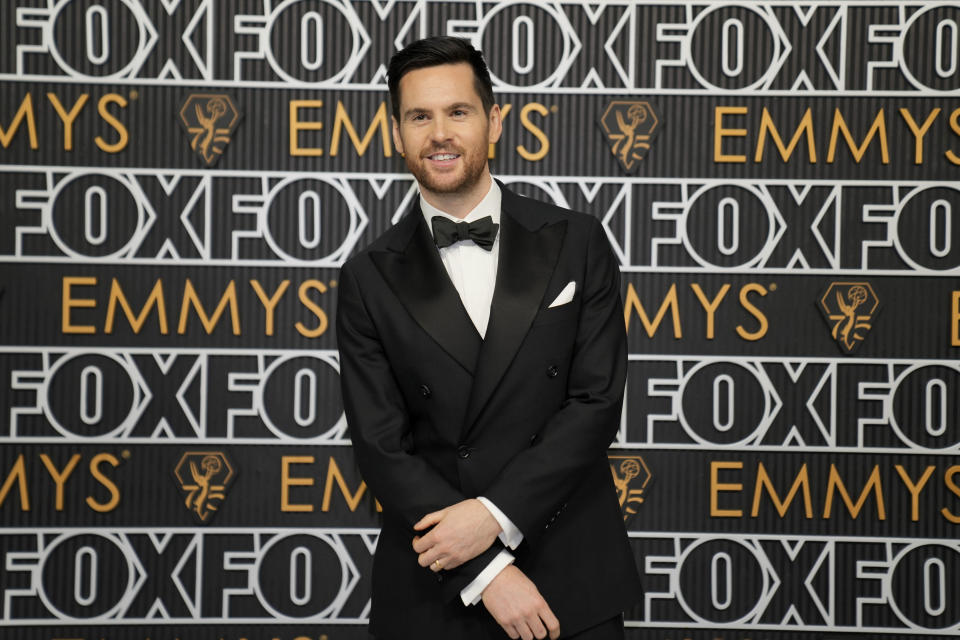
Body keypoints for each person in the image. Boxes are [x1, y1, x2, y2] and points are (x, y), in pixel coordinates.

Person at [336, 36, 641, 640]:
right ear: (396, 133)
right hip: (435, 584)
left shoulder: (576, 241)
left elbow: (596, 402)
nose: (439, 133)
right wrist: (488, 569)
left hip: (569, 576)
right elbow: (381, 447)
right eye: (419, 116)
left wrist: (494, 518)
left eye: (458, 112)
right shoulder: (368, 275)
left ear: (494, 120)